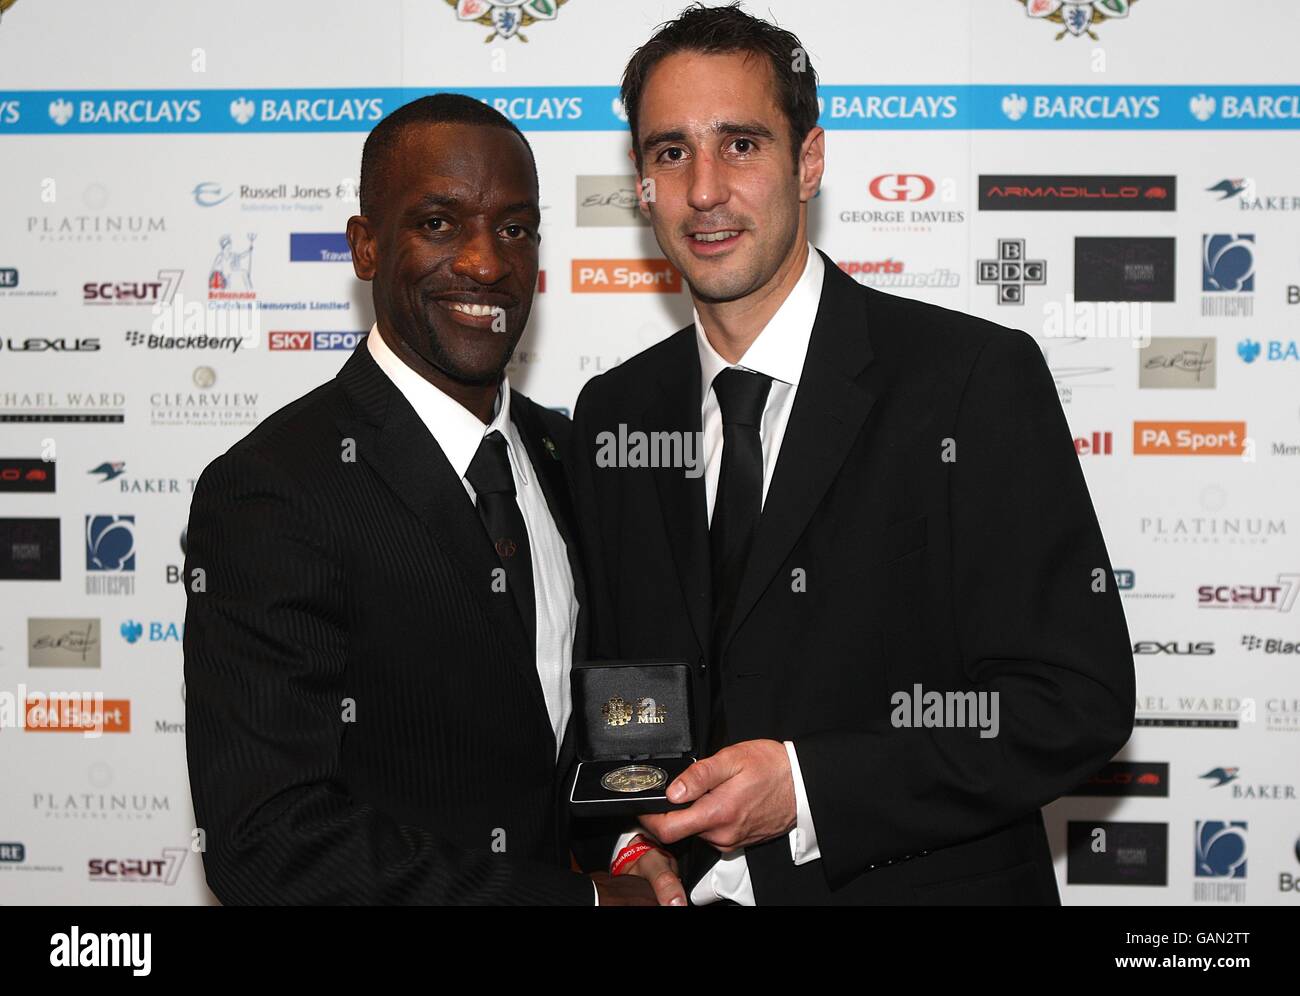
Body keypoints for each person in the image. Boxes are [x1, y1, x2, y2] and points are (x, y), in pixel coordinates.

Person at [571, 3, 1135, 905]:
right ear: (642, 180)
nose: (704, 189)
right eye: (670, 152)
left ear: (810, 160)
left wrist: (806, 788)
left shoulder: (969, 380)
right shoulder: (615, 412)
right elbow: (617, 704)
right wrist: (631, 847)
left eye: (742, 145)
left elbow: (1073, 700)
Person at [183, 94, 653, 905]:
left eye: (515, 228)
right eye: (439, 223)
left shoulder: (571, 457)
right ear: (365, 247)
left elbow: (585, 734)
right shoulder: (275, 489)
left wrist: (630, 843)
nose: (485, 262)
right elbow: (269, 843)